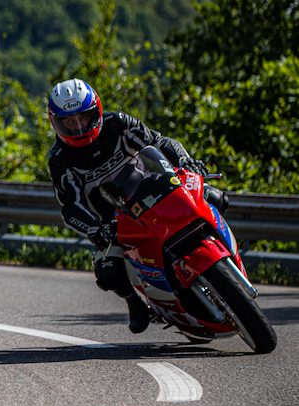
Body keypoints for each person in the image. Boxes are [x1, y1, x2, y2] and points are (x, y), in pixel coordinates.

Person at [47, 78, 229, 333]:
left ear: (96, 111)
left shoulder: (119, 123)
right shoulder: (59, 159)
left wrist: (186, 162)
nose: (78, 127)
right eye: (68, 122)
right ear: (55, 122)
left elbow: (159, 142)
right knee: (108, 271)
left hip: (154, 189)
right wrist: (95, 229)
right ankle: (135, 302)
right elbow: (70, 207)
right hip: (114, 219)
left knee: (216, 197)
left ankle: (226, 255)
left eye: (83, 118)